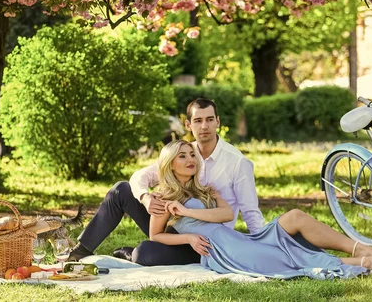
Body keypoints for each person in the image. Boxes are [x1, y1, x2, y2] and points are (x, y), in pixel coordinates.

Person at [150, 140, 372, 279]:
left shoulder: (207, 189)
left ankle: (367, 251)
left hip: (240, 238)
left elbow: (226, 215)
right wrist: (189, 237)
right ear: (170, 164)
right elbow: (155, 235)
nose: (190, 159)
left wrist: (185, 212)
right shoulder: (163, 198)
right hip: (224, 251)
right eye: (182, 156)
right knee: (288, 259)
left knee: (295, 216)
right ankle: (369, 262)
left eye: (191, 154)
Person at [68, 98, 266, 265]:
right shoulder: (184, 151)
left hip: (208, 237)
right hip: (171, 225)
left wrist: (263, 247)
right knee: (121, 190)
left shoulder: (237, 162)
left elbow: (250, 212)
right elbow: (141, 176)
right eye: (198, 121)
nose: (204, 126)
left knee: (144, 252)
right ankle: (81, 250)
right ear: (189, 125)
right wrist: (146, 198)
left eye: (209, 120)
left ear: (218, 122)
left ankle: (132, 253)